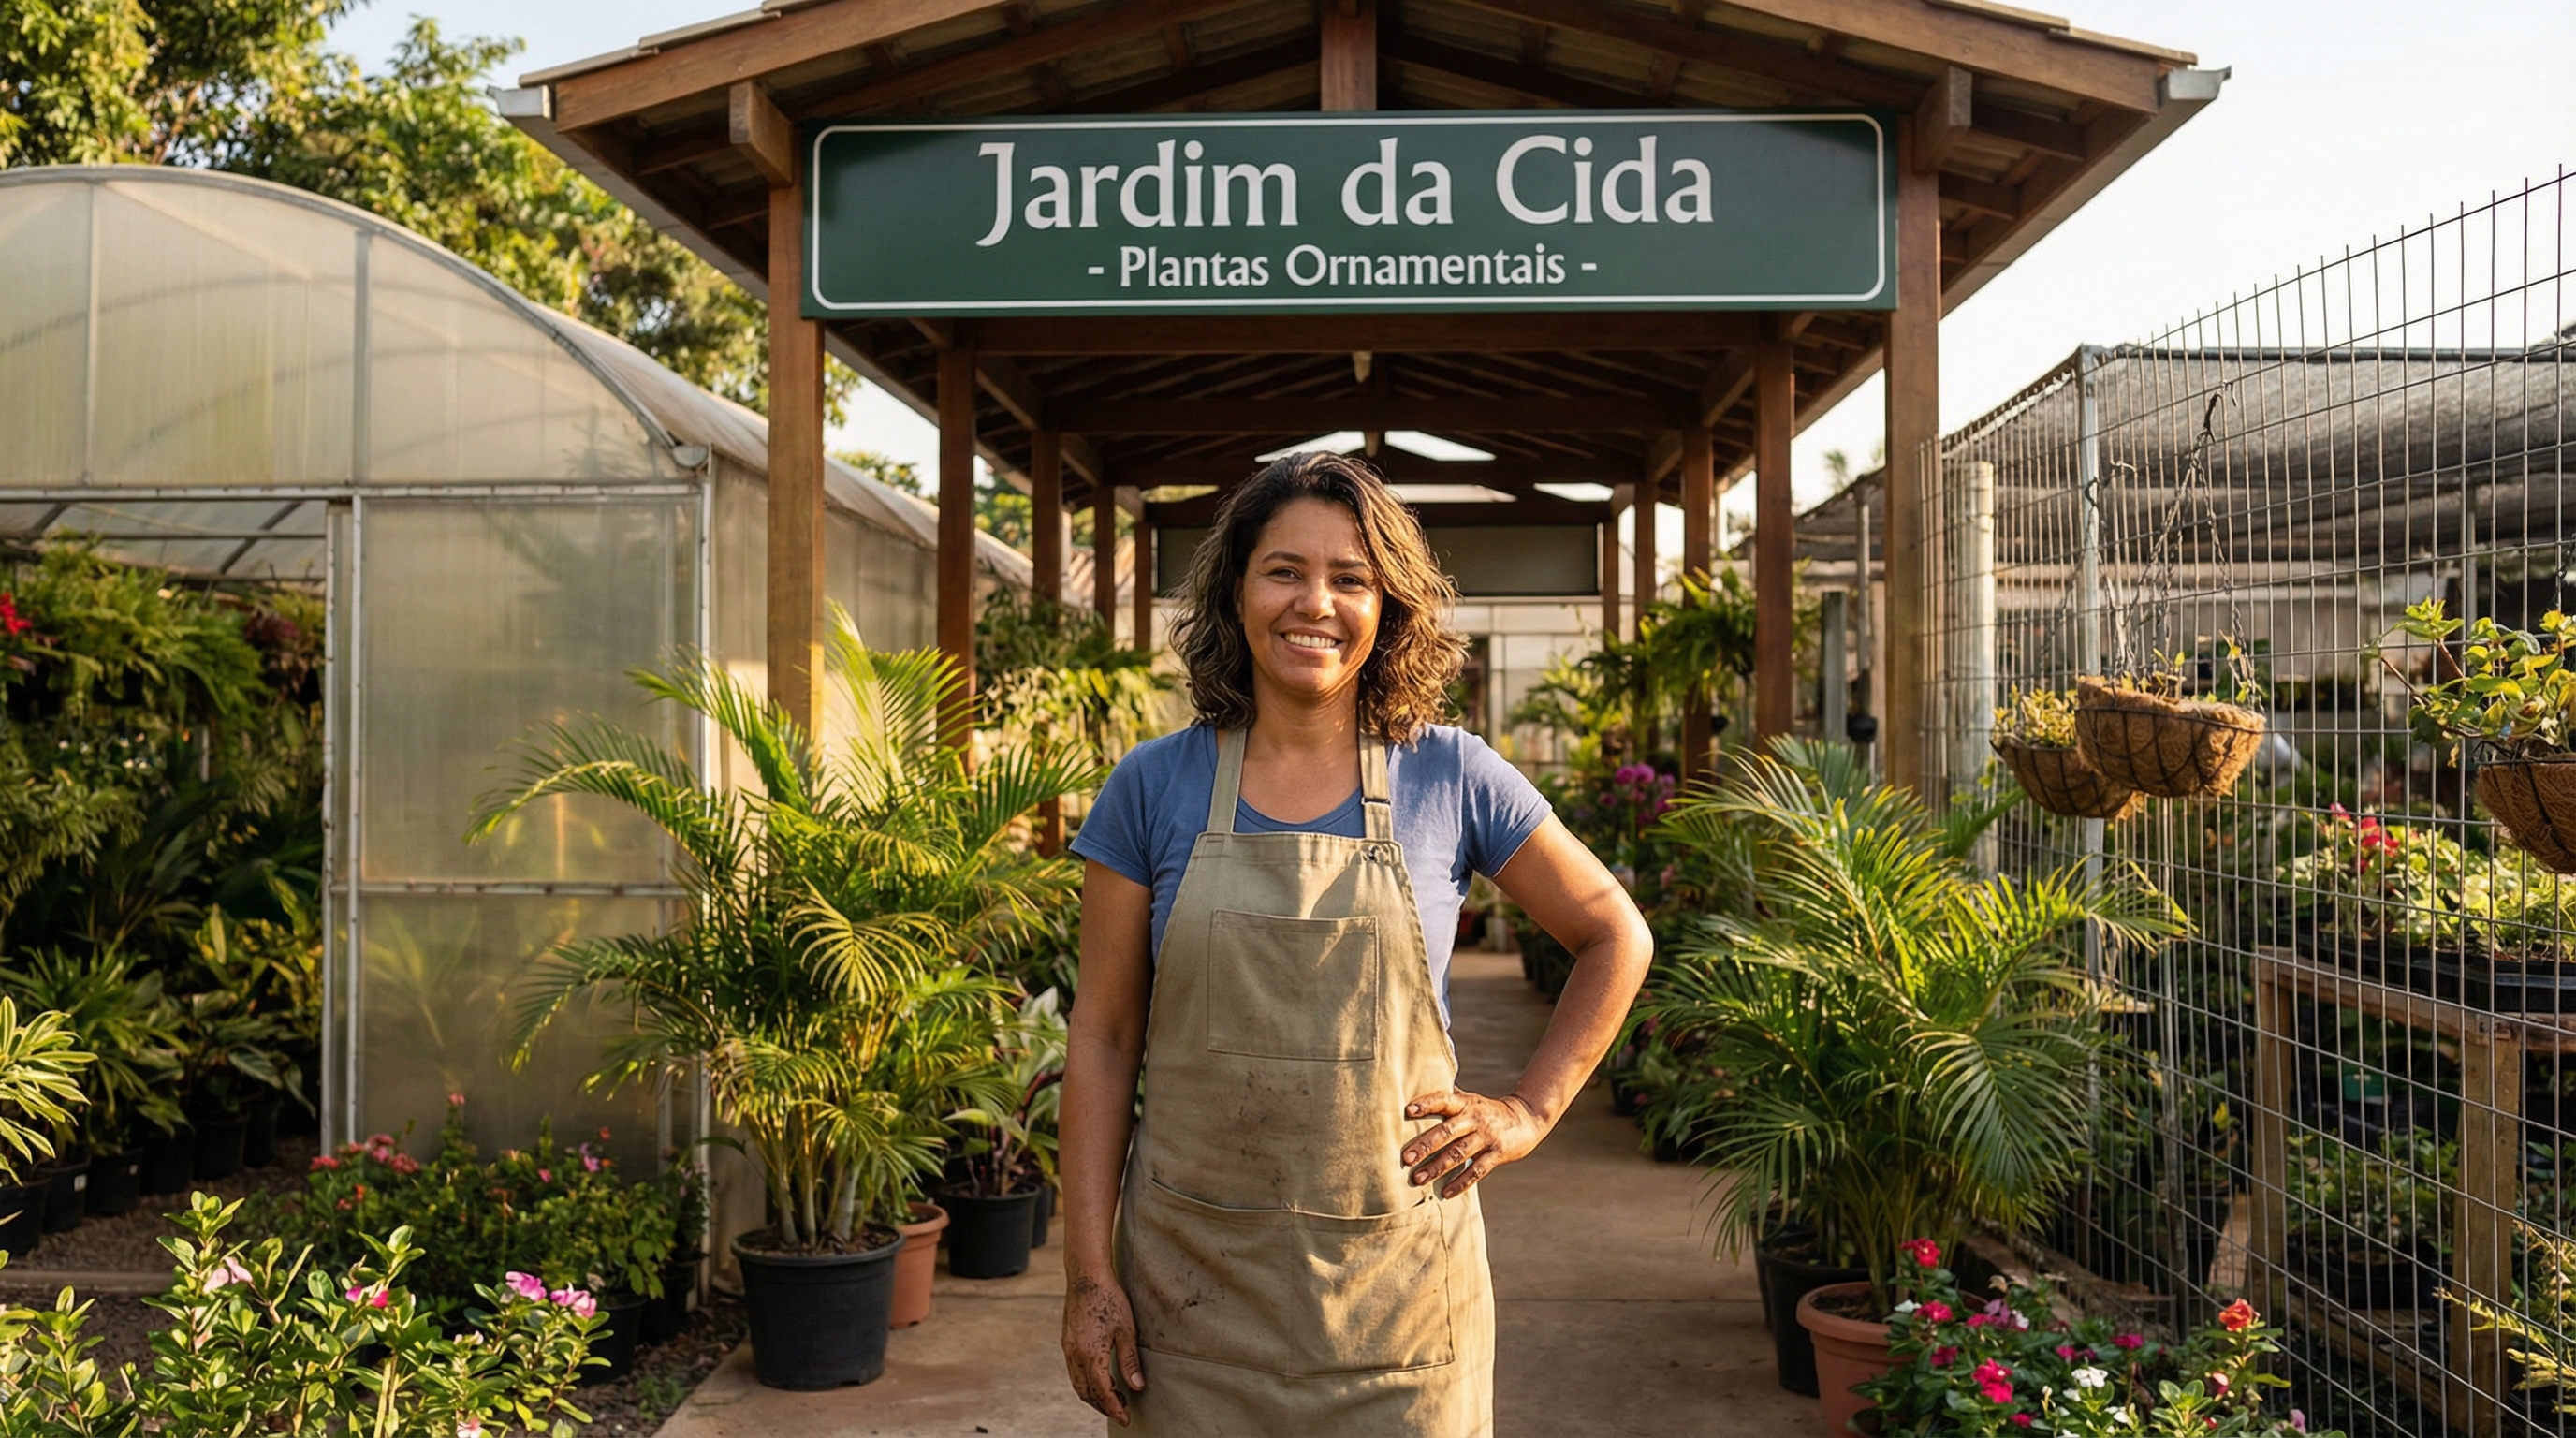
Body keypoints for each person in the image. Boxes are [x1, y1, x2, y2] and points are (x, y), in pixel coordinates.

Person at [1058, 451, 1654, 1434]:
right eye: (1284, 570)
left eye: (1350, 579)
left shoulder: (1452, 775)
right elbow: (1105, 1036)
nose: (1315, 604)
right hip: (1188, 1300)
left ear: (1389, 607)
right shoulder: (1150, 786)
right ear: (1236, 590)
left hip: (1400, 1310)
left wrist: (1528, 1111)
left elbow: (1612, 933)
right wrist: (1088, 1278)